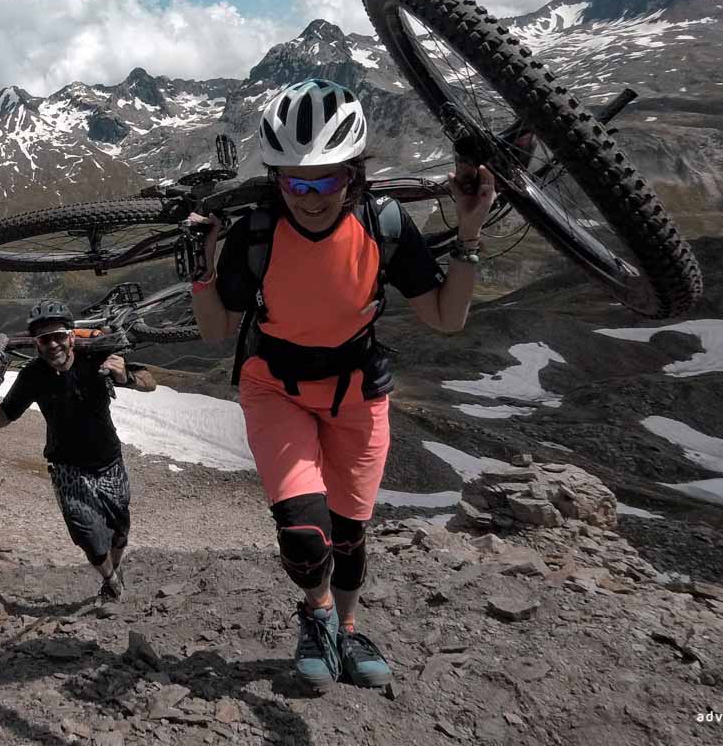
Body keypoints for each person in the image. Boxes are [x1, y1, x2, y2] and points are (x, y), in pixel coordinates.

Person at [188, 77, 496, 691]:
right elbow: (219, 329)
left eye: (326, 179)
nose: (309, 195)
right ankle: (319, 615)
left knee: (349, 535)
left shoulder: (384, 223)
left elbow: (445, 317)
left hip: (358, 392)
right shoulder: (255, 232)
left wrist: (468, 232)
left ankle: (347, 631)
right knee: (305, 532)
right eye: (293, 181)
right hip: (273, 386)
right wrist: (199, 268)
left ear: (353, 173)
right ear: (275, 178)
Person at [0, 299, 157, 601]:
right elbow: (4, 418)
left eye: (58, 336)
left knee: (119, 531)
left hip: (109, 461)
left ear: (71, 336)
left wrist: (124, 375)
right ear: (36, 344)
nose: (53, 344)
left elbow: (150, 383)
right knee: (88, 536)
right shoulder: (32, 376)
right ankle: (111, 584)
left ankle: (115, 571)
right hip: (66, 467)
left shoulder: (97, 357)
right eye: (44, 339)